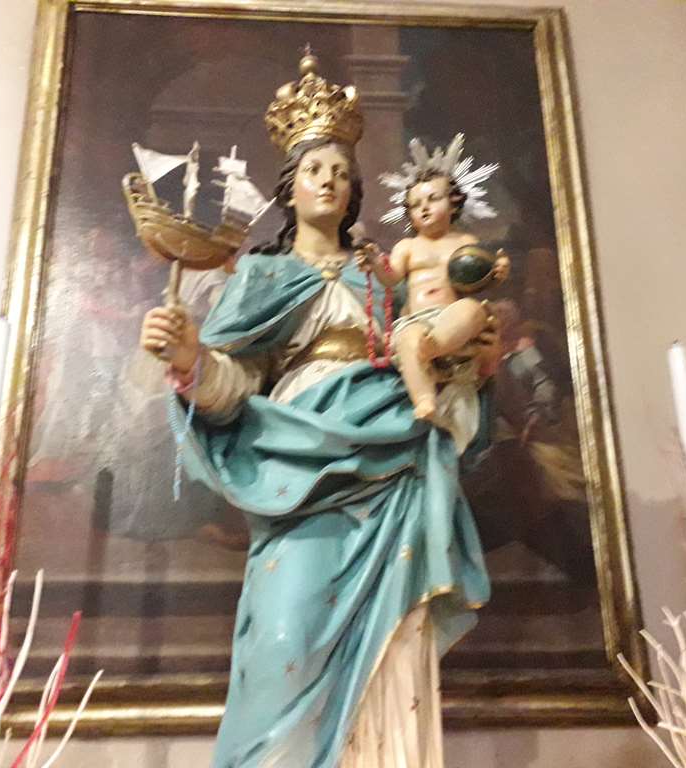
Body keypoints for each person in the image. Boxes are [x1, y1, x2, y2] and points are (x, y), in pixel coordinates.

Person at [140, 54, 493, 768]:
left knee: (395, 648)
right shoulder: (263, 276)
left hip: (389, 463)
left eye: (341, 171)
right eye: (314, 169)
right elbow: (235, 382)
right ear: (290, 185)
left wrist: (471, 366)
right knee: (282, 645)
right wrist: (191, 360)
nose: (329, 179)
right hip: (298, 467)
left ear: (356, 190)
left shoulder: (381, 277)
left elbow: (428, 354)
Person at [357, 135, 505, 423]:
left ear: (454, 203)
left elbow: (482, 275)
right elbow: (390, 278)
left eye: (433, 199)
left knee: (473, 310)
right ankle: (424, 399)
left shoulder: (465, 241)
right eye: (415, 204)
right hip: (417, 319)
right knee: (407, 339)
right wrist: (375, 263)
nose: (424, 207)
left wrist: (498, 270)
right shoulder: (407, 247)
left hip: (450, 318)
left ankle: (436, 345)